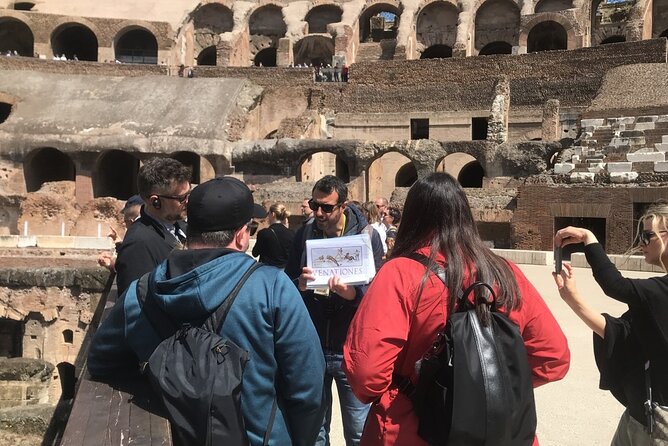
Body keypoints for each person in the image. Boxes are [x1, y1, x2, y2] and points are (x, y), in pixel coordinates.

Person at [88, 177, 326, 446]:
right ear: (241, 235)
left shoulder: (142, 291)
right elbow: (308, 389)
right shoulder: (272, 287)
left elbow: (100, 361)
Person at [343, 172, 570, 446]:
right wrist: (486, 389)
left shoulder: (400, 274)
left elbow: (367, 374)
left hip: (413, 429)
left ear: (412, 218)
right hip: (497, 434)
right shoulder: (506, 272)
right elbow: (553, 357)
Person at [553, 204, 668, 445]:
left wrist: (588, 238)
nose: (642, 243)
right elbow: (622, 332)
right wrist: (573, 300)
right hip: (641, 413)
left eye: (648, 235)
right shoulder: (657, 294)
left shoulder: (660, 291)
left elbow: (614, 284)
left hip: (657, 423)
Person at [285, 175, 384, 446]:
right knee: (316, 430)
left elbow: (376, 291)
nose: (319, 212)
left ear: (343, 205)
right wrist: (300, 284)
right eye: (314, 204)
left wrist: (352, 294)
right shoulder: (304, 233)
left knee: (357, 430)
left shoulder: (368, 237)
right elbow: (288, 278)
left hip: (349, 347)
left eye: (327, 207)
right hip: (312, 345)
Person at [114, 158, 191, 296]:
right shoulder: (138, 244)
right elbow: (135, 304)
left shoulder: (183, 227)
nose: (187, 201)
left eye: (189, 194)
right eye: (181, 198)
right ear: (155, 201)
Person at [97, 194, 143, 272]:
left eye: (126, 221)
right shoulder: (153, 232)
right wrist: (118, 241)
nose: (124, 225)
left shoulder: (137, 238)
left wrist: (109, 264)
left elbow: (127, 267)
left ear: (132, 221)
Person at [252, 203, 295, 268]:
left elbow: (255, 253)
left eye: (268, 213)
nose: (268, 216)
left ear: (273, 214)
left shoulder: (264, 233)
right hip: (284, 272)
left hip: (267, 271)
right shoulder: (292, 233)